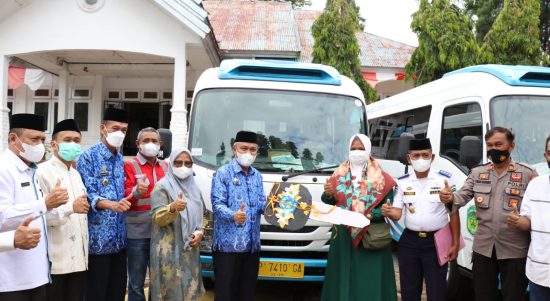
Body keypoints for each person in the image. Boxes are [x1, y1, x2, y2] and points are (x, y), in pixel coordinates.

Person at [440, 127, 537, 301]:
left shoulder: (527, 174)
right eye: (490, 145)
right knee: (484, 296)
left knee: (514, 296)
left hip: (515, 250)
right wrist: (448, 197)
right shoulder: (478, 173)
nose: (494, 149)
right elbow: (460, 198)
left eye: (499, 144)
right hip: (483, 248)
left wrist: (524, 221)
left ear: (511, 146)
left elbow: (540, 208)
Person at [0, 113, 69, 300]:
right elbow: (3, 217)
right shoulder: (4, 170)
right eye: (34, 139)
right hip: (11, 281)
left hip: (38, 275)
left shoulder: (31, 170)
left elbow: (37, 216)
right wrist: (44, 203)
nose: (39, 145)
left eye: (42, 139)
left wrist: (56, 207)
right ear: (13, 139)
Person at [321, 134, 397, 301]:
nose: (357, 152)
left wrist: (371, 214)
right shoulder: (338, 174)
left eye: (361, 148)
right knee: (342, 276)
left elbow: (387, 206)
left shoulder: (382, 178)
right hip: (343, 236)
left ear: (368, 150)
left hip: (370, 234)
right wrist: (328, 194)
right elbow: (328, 201)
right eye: (353, 148)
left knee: (368, 281)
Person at [383, 138, 460, 301]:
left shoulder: (444, 179)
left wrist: (454, 243)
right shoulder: (402, 182)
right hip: (409, 241)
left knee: (436, 291)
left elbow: (453, 212)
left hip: (436, 242)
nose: (420, 159)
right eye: (416, 155)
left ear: (432, 158)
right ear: (409, 158)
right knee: (409, 290)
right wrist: (388, 211)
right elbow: (397, 214)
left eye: (425, 155)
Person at [77, 108, 131, 301]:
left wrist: (135, 193)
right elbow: (87, 194)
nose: (120, 133)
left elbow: (122, 195)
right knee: (96, 293)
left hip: (119, 241)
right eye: (115, 128)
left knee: (117, 292)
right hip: (97, 242)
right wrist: (111, 205)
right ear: (103, 128)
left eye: (124, 130)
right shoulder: (88, 157)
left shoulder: (119, 158)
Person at [36, 119, 89, 301]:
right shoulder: (41, 172)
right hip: (55, 263)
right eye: (67, 140)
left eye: (76, 140)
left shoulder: (76, 174)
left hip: (80, 263)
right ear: (54, 145)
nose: (73, 144)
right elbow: (39, 216)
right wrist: (70, 208)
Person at [211, 131, 266, 301]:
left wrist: (276, 209)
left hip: (251, 246)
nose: (248, 153)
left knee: (247, 292)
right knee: (225, 293)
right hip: (228, 247)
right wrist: (233, 215)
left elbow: (262, 203)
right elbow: (217, 204)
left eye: (252, 149)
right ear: (235, 149)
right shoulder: (223, 173)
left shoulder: (258, 176)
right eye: (244, 148)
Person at [149, 147, 205, 301]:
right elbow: (156, 218)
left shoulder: (195, 189)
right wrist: (172, 208)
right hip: (168, 253)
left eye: (188, 163)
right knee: (169, 293)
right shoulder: (162, 187)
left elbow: (203, 217)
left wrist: (200, 233)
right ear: (171, 164)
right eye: (178, 163)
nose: (183, 167)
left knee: (189, 292)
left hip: (189, 251)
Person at [124, 127, 167, 301]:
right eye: (146, 140)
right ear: (138, 144)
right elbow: (124, 197)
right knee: (136, 282)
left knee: (159, 282)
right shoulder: (130, 165)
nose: (151, 144)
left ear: (160, 144)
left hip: (162, 232)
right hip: (137, 233)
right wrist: (136, 192)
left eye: (154, 141)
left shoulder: (166, 166)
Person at [507, 135, 550, 301]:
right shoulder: (536, 185)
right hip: (539, 272)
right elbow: (527, 222)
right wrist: (517, 221)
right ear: (546, 156)